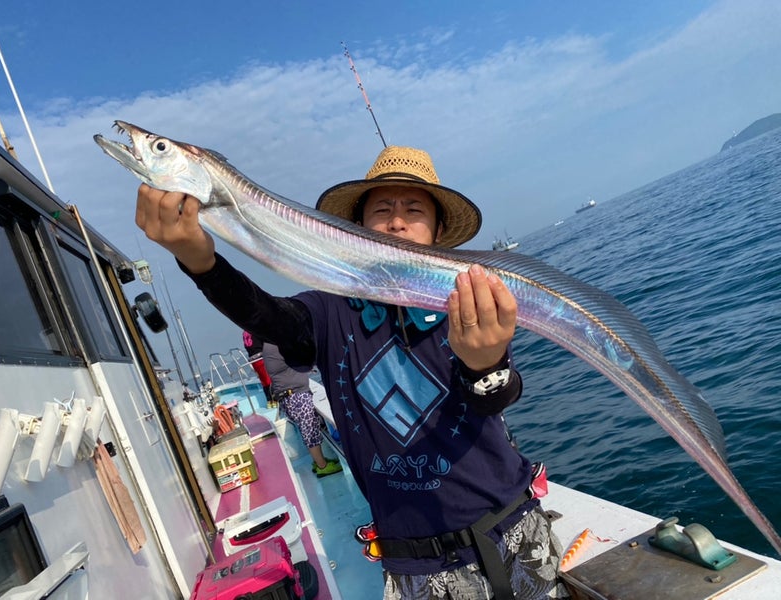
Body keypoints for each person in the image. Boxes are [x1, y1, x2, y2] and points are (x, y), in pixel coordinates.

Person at [135, 145, 569, 599]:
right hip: (416, 564)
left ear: (439, 232)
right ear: (356, 229)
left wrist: (486, 364)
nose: (396, 221)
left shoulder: (464, 302)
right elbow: (268, 316)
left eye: (414, 209)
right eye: (381, 209)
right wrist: (201, 264)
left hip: (516, 533)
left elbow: (497, 398)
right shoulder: (328, 311)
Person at [247, 331, 343, 477]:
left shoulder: (270, 345)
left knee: (310, 428)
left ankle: (318, 461)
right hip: (296, 396)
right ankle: (322, 466)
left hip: (291, 395)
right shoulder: (278, 344)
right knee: (310, 431)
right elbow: (302, 355)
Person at [242, 330, 275, 406]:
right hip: (261, 359)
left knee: (264, 381)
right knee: (269, 380)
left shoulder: (245, 335)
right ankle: (274, 399)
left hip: (254, 362)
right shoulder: (255, 333)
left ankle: (269, 401)